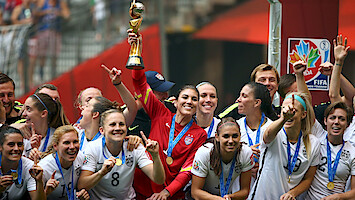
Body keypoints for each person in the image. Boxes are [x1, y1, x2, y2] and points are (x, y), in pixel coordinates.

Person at [77, 108, 165, 199]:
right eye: (112, 124)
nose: (118, 128)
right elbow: (82, 185)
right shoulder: (93, 148)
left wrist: (155, 156)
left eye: (121, 124)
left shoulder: (134, 146)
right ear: (102, 130)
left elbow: (159, 180)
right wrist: (101, 173)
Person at [248, 92, 320, 200]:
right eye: (285, 110)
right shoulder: (273, 131)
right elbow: (267, 136)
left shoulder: (313, 143)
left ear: (303, 114)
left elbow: (308, 179)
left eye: (293, 111)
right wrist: (283, 119)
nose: (288, 113)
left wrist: (293, 193)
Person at [191, 117, 254, 199]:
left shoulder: (245, 152)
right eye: (226, 136)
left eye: (235, 136)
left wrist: (230, 197)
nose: (231, 141)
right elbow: (195, 192)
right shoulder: (205, 152)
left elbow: (245, 191)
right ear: (217, 137)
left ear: (240, 136)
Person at [231, 82, 278, 191]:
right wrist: (244, 153)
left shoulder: (272, 129)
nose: (238, 100)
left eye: (244, 96)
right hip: (237, 191)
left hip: (265, 191)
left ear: (257, 102)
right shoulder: (235, 127)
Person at [304, 102, 355, 199]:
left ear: (348, 124)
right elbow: (308, 109)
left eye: (342, 119)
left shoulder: (353, 153)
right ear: (325, 121)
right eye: (332, 118)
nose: (336, 122)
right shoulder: (317, 139)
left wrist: (339, 197)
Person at [27, 125, 90, 199]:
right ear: (55, 146)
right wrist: (45, 190)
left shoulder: (80, 157)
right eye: (66, 143)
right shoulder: (44, 167)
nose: (72, 147)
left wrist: (81, 194)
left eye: (75, 142)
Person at [0, 125, 45, 200]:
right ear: (0, 147)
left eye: (20, 144)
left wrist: (39, 181)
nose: (16, 148)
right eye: (11, 145)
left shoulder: (29, 167)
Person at [128, 70, 175, 138]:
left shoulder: (172, 107)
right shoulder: (126, 114)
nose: (166, 96)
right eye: (161, 93)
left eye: (166, 91)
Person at [21, 93, 69, 159]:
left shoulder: (58, 137)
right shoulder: (21, 136)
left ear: (43, 113)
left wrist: (42, 157)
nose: (23, 114)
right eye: (24, 109)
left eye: (28, 109)